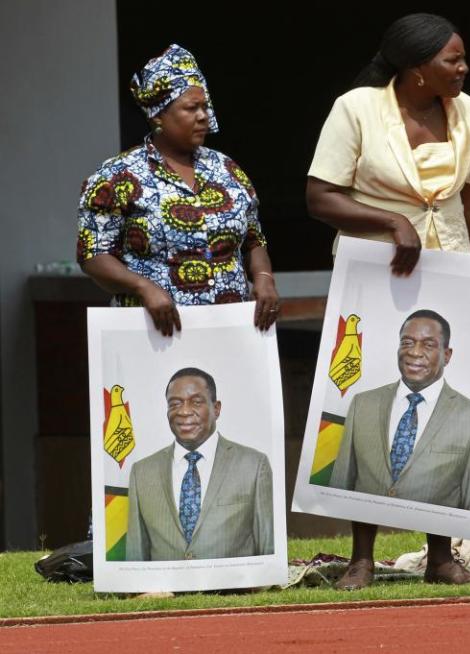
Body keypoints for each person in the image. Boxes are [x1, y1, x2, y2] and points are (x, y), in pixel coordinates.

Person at [77, 44, 280, 336]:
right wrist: (142, 286)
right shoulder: (117, 176)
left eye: (204, 106)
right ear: (158, 116)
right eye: (190, 108)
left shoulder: (227, 169)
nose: (203, 116)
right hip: (156, 333)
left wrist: (263, 276)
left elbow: (253, 239)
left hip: (230, 329)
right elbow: (93, 254)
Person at [306, 13, 470, 276]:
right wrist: (393, 221)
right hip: (377, 265)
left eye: (463, 58)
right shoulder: (356, 107)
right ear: (417, 69)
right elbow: (320, 198)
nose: (464, 67)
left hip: (450, 264)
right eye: (453, 60)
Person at [329, 309, 470, 589]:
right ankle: (360, 562)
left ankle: (441, 561)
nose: (415, 352)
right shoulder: (362, 404)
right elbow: (344, 481)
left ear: (447, 354)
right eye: (407, 342)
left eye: (428, 345)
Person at [126, 368, 274, 561]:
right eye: (175, 403)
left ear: (216, 408)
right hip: (164, 591)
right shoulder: (142, 472)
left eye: (196, 402)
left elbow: (269, 553)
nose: (184, 411)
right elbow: (136, 556)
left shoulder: (254, 466)